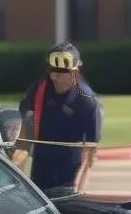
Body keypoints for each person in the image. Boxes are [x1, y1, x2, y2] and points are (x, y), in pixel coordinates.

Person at [10, 42, 100, 195]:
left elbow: (90, 153)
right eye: (52, 71)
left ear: (75, 71)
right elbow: (24, 140)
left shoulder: (86, 100)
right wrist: (13, 172)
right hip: (40, 170)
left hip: (69, 176)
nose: (55, 76)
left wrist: (80, 187)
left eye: (62, 72)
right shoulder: (37, 92)